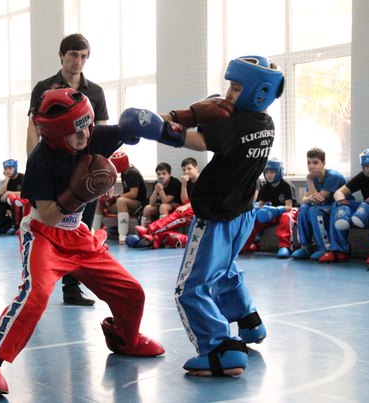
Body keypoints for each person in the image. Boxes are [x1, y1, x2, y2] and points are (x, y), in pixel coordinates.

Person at [0, 88, 164, 395]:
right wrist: (82, 192)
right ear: (54, 134)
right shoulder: (41, 161)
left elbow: (131, 127)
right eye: (75, 131)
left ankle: (125, 339)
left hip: (78, 234)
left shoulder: (91, 134)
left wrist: (171, 123)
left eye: (86, 126)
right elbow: (50, 216)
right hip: (44, 233)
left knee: (131, 292)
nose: (84, 135)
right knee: (36, 295)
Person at [118, 55, 284, 376]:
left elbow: (195, 140)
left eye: (237, 88)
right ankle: (249, 321)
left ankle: (219, 348)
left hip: (216, 218)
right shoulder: (265, 124)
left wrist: (156, 127)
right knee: (224, 270)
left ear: (258, 92)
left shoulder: (236, 124)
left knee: (191, 288)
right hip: (242, 216)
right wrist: (192, 114)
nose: (229, 93)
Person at [26, 33, 109, 305]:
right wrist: (33, 165)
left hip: (85, 171)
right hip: (53, 167)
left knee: (79, 229)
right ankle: (35, 280)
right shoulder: (44, 88)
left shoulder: (95, 92)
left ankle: (72, 287)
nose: (78, 61)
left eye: (84, 56)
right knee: (45, 224)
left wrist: (103, 174)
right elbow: (33, 128)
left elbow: (101, 134)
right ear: (61, 55)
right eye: (73, 55)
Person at [290, 148, 350, 260]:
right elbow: (304, 199)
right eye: (309, 163)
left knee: (314, 210)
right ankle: (306, 246)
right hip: (324, 207)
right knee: (303, 208)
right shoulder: (314, 177)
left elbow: (318, 201)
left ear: (323, 163)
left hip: (340, 209)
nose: (311, 166)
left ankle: (325, 247)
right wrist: (309, 198)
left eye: (315, 163)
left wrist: (309, 181)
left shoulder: (333, 176)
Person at [128, 157, 200, 249]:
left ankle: (149, 231)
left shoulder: (202, 181)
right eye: (184, 170)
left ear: (196, 168)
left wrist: (186, 206)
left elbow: (200, 200)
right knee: (150, 209)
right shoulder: (187, 182)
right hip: (188, 207)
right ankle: (154, 239)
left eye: (189, 169)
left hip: (195, 209)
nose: (186, 172)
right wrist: (184, 185)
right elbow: (185, 201)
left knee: (175, 214)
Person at [240, 158, 299, 258]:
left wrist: (277, 210)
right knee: (255, 217)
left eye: (272, 172)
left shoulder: (286, 185)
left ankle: (285, 246)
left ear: (279, 171)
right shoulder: (265, 187)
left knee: (286, 217)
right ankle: (247, 244)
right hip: (275, 212)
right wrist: (260, 212)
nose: (269, 175)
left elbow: (289, 207)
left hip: (290, 211)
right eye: (266, 172)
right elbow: (260, 207)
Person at [91, 151, 148, 244]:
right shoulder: (124, 173)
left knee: (121, 201)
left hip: (139, 205)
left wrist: (117, 198)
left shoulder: (132, 172)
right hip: (128, 202)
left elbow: (133, 194)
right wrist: (113, 198)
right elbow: (126, 194)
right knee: (100, 203)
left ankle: (122, 236)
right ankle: (95, 234)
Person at [141, 162, 182, 227]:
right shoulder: (156, 183)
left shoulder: (175, 182)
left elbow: (166, 201)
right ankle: (144, 229)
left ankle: (162, 230)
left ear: (169, 174)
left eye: (164, 173)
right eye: (158, 174)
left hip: (175, 204)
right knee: (147, 208)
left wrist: (161, 190)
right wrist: (155, 190)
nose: (161, 176)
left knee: (163, 207)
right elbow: (151, 203)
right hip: (161, 204)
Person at [0, 159, 27, 235]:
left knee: (13, 199)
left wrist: (9, 193)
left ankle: (16, 226)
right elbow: (1, 193)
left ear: (15, 168)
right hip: (10, 202)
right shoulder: (7, 180)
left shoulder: (23, 178)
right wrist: (7, 179)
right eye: (6, 168)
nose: (7, 170)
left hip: (21, 202)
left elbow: (25, 193)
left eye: (10, 168)